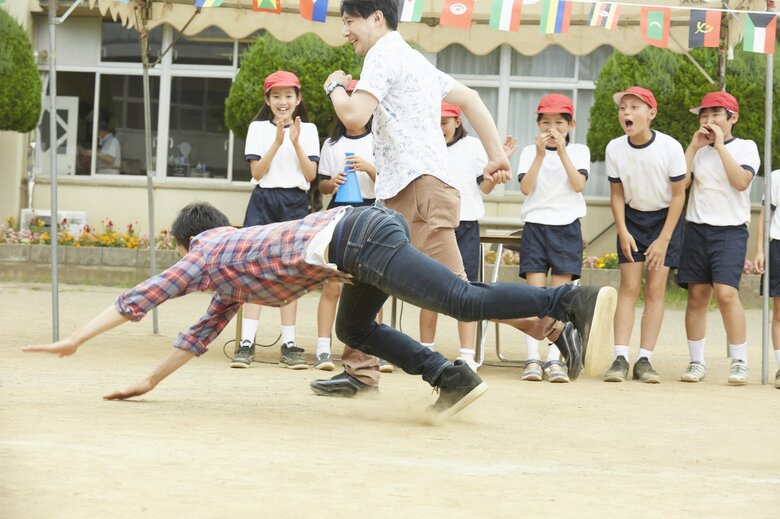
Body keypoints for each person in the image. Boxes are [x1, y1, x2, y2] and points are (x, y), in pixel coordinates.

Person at [22, 202, 616, 422]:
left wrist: (75, 340)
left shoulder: (205, 253)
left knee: (458, 298)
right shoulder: (231, 266)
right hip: (358, 241)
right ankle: (450, 377)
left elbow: (141, 298)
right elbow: (200, 332)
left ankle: (567, 299)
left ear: (189, 244)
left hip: (357, 237)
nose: (188, 269)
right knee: (352, 327)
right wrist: (148, 381)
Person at [314, 0, 583, 396]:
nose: (345, 31)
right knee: (369, 301)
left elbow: (353, 117)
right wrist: (494, 154)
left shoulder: (383, 53)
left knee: (460, 295)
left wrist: (336, 86)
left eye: (349, 21)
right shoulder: (413, 59)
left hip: (418, 192)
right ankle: (360, 370)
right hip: (398, 196)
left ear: (376, 18)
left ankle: (560, 314)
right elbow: (471, 97)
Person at [417, 101, 517, 372]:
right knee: (430, 290)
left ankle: (467, 355)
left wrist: (494, 176)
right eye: (436, 123)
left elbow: (483, 186)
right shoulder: (425, 146)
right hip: (435, 224)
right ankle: (425, 350)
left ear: (457, 122)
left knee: (468, 290)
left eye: (445, 123)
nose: (440, 128)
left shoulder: (472, 146)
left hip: (466, 223)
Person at [233, 70, 320, 370]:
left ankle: (289, 344)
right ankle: (246, 344)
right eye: (276, 96)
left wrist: (294, 142)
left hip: (295, 203)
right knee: (255, 271)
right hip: (263, 201)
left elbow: (310, 175)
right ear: (267, 100)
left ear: (298, 98)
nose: (283, 101)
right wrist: (277, 140)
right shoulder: (257, 129)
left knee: (290, 275)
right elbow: (257, 174)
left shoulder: (308, 130)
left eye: (288, 95)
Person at [602, 87, 687, 384]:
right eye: (622, 107)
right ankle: (620, 357)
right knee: (628, 287)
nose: (626, 112)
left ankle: (645, 359)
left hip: (665, 219)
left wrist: (664, 239)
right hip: (632, 219)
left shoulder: (671, 147)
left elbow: (679, 195)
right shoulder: (614, 148)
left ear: (651, 113)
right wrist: (622, 230)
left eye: (634, 107)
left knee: (654, 290)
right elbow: (616, 194)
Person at [678, 91, 760, 385]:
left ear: (732, 118)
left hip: (731, 230)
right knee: (697, 297)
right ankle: (696, 361)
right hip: (697, 228)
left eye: (715, 115)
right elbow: (680, 185)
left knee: (726, 294)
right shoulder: (697, 149)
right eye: (704, 115)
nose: (708, 120)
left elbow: (740, 182)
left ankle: (740, 361)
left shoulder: (747, 147)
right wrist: (692, 146)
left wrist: (721, 146)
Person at [516, 94, 590, 384]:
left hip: (566, 227)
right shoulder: (528, 152)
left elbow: (578, 184)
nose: (552, 128)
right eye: (546, 122)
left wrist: (561, 153)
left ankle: (554, 359)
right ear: (537, 124)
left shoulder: (579, 151)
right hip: (535, 226)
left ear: (571, 124)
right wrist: (538, 155)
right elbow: (525, 188)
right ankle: (532, 358)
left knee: (561, 300)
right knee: (535, 298)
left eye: (560, 122)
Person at [315, 79, 382, 371]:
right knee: (333, 282)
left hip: (371, 211)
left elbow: (390, 184)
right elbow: (322, 186)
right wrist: (334, 182)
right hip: (338, 214)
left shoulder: (380, 140)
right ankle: (322, 349)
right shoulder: (331, 144)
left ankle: (372, 352)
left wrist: (369, 168)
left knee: (373, 285)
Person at [753, 168, 780, 389]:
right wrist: (760, 250)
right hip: (778, 246)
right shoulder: (777, 177)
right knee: (779, 312)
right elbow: (765, 214)